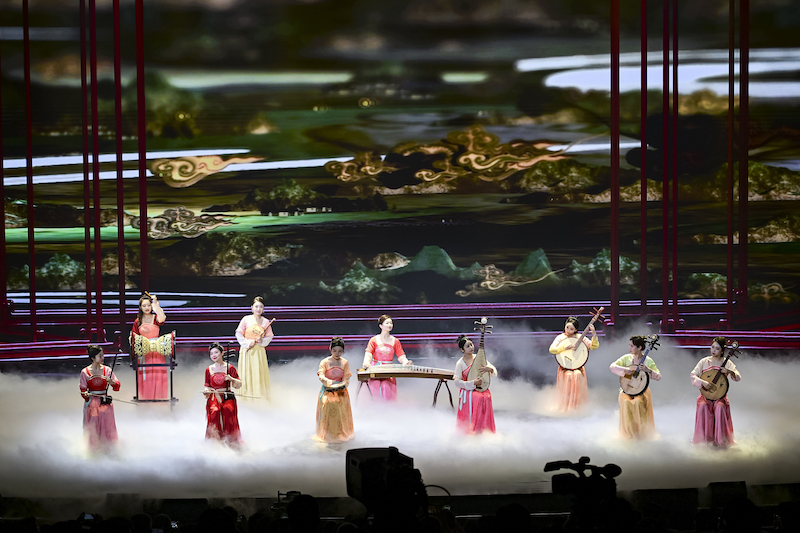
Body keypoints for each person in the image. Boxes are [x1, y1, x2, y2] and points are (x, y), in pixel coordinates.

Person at [690, 336, 741, 447]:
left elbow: (738, 377)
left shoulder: (726, 362)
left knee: (720, 407)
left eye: (717, 349)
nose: (713, 350)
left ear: (722, 351)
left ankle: (721, 440)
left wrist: (729, 371)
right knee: (703, 406)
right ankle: (703, 440)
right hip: (705, 396)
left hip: (720, 397)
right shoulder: (704, 361)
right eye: (712, 347)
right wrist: (703, 382)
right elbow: (693, 375)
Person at [609, 335, 661, 439]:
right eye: (629, 345)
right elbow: (612, 367)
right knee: (626, 402)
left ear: (639, 347)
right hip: (626, 390)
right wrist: (625, 370)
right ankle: (628, 434)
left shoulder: (648, 361)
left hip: (641, 391)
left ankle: (641, 433)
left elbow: (658, 376)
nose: (629, 348)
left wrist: (648, 370)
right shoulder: (626, 358)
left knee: (638, 403)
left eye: (632, 346)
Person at [549, 316, 599, 412]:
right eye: (567, 327)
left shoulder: (579, 337)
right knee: (569, 376)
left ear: (576, 329)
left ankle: (577, 406)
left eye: (571, 329)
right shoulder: (561, 337)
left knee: (577, 375)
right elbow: (552, 349)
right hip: (565, 367)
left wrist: (594, 334)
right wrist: (564, 348)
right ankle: (566, 405)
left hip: (577, 367)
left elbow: (593, 346)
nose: (568, 330)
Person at [80, 344, 121, 450]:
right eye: (100, 356)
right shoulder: (85, 372)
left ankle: (108, 448)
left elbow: (117, 386)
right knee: (93, 424)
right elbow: (83, 389)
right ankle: (94, 449)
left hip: (104, 401)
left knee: (107, 424)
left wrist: (112, 382)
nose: (103, 357)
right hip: (92, 402)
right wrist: (85, 394)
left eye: (103, 355)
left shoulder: (107, 370)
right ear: (93, 358)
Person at [362, 315, 412, 401]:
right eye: (387, 323)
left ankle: (388, 408)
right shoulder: (374, 340)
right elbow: (369, 353)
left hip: (389, 369)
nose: (390, 325)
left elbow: (401, 356)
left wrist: (406, 362)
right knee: (375, 387)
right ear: (380, 325)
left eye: (391, 323)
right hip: (376, 368)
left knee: (387, 387)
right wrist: (366, 362)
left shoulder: (395, 341)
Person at [453, 334, 496, 434]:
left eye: (471, 345)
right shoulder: (460, 363)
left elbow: (493, 370)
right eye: (467, 346)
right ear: (462, 349)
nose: (471, 347)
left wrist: (489, 369)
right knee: (479, 398)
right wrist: (473, 383)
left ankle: (486, 429)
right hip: (468, 390)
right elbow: (457, 382)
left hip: (481, 388)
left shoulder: (478, 358)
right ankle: (474, 430)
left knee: (487, 396)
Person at [315, 337, 355, 443]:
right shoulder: (325, 362)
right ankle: (327, 434)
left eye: (340, 351)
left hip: (341, 392)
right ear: (330, 349)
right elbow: (321, 375)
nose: (337, 353)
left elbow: (346, 379)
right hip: (327, 391)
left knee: (340, 410)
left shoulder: (344, 362)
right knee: (327, 404)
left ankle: (341, 433)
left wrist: (342, 385)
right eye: (334, 351)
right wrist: (328, 382)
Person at [235, 296, 275, 401]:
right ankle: (246, 399)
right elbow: (238, 333)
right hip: (247, 350)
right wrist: (247, 343)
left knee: (259, 373)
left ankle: (260, 399)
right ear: (252, 307)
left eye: (261, 307)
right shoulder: (246, 319)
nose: (258, 309)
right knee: (246, 374)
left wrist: (262, 341)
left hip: (259, 351)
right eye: (256, 306)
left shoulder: (265, 322)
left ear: (263, 308)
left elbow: (270, 336)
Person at [130, 292, 168, 400]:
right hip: (144, 352)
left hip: (157, 351)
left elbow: (162, 318)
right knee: (146, 376)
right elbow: (134, 337)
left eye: (148, 305)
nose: (147, 308)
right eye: (144, 306)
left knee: (157, 375)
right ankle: (146, 399)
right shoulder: (138, 321)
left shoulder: (156, 318)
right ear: (140, 307)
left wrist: (156, 303)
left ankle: (160, 399)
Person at [203, 342, 242, 447]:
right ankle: (215, 441)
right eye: (211, 353)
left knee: (228, 410)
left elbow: (239, 384)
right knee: (214, 412)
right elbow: (207, 385)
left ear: (222, 353)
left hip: (227, 396)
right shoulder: (209, 369)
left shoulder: (230, 368)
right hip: (214, 396)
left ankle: (231, 441)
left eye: (216, 352)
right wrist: (206, 391)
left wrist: (231, 379)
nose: (214, 355)